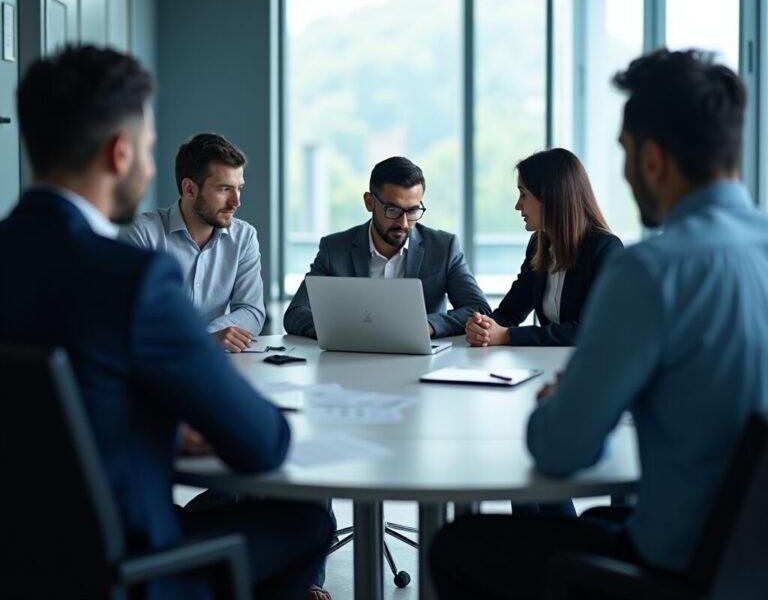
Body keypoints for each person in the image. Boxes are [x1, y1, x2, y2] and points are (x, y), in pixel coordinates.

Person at [430, 48, 768, 600]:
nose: (626, 172)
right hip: (748, 564)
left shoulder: (650, 271)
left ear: (653, 159)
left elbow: (560, 451)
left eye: (625, 154)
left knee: (458, 545)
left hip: (675, 568)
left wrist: (559, 404)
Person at [0, 46, 332, 600]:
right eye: (150, 152)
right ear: (120, 153)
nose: (152, 169)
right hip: (128, 567)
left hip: (22, 560)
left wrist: (158, 424)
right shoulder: (132, 276)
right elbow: (263, 444)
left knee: (222, 503)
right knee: (307, 521)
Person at [284, 156, 490, 339]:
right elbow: (295, 314)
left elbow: (479, 309)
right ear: (369, 202)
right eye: (393, 209)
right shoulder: (334, 249)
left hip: (422, 366)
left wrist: (427, 326)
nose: (403, 222)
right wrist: (343, 329)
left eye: (412, 211)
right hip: (350, 365)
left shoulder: (444, 248)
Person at [466, 148, 622, 348]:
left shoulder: (605, 249)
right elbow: (509, 312)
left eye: (523, 195)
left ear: (550, 198)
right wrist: (484, 327)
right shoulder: (538, 245)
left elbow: (591, 329)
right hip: (548, 363)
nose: (517, 206)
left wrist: (508, 336)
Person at [123, 132, 265, 352]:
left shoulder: (244, 238)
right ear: (189, 188)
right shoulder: (142, 234)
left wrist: (207, 337)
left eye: (239, 188)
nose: (236, 202)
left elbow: (251, 310)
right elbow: (131, 319)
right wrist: (204, 339)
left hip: (213, 364)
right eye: (224, 189)